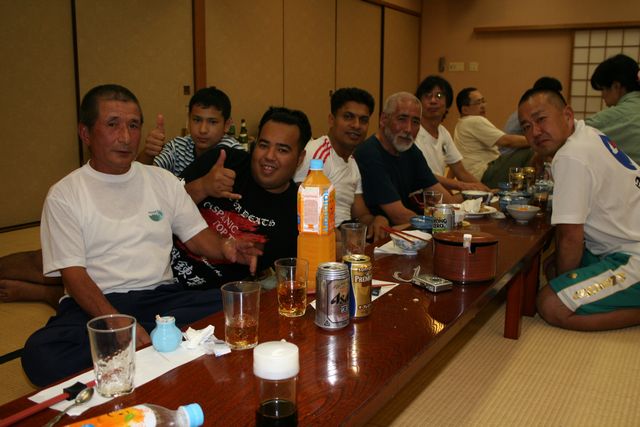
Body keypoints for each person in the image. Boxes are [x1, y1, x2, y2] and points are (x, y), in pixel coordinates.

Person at [21, 84, 260, 387]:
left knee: (236, 305)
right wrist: (116, 323)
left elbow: (197, 236)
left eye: (133, 125)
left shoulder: (162, 180)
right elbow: (74, 277)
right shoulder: (64, 194)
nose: (125, 137)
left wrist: (226, 246)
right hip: (94, 304)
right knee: (41, 354)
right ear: (85, 133)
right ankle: (164, 345)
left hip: (161, 299)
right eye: (113, 125)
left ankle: (144, 346)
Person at [518, 87, 640, 331]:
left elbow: (571, 236)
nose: (535, 132)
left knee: (551, 304)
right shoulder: (587, 133)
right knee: (552, 265)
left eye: (541, 119)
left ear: (567, 114)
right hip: (620, 245)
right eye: (526, 127)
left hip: (633, 256)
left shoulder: (571, 155)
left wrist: (563, 285)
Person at [171, 107, 310, 288]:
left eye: (282, 150)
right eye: (263, 145)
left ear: (300, 158)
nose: (269, 156)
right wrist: (203, 187)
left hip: (214, 296)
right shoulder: (225, 161)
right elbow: (162, 206)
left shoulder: (296, 215)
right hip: (159, 271)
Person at [294, 87, 389, 241]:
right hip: (321, 240)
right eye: (348, 117)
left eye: (363, 120)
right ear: (331, 120)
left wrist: (377, 220)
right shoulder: (316, 154)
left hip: (345, 234)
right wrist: (347, 241)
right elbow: (307, 215)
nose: (356, 125)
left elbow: (361, 214)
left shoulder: (352, 162)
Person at [353, 92, 460, 226]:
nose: (409, 129)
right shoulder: (369, 154)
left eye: (415, 122)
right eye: (402, 119)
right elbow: (399, 216)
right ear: (383, 119)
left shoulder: (410, 150)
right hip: (386, 233)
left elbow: (445, 200)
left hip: (412, 229)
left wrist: (466, 206)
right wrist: (445, 223)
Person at [137, 86, 242, 176]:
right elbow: (141, 175)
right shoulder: (177, 147)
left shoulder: (235, 153)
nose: (203, 130)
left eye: (212, 122)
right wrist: (148, 153)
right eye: (197, 120)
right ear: (188, 119)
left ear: (227, 125)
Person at [414, 75, 490, 192]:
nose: (433, 101)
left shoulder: (443, 133)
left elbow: (460, 171)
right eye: (427, 96)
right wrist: (461, 186)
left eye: (439, 96)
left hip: (437, 194)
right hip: (419, 194)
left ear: (447, 104)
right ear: (419, 103)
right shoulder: (413, 131)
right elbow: (422, 175)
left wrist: (485, 190)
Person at [454, 87, 531, 188]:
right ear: (465, 109)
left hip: (477, 176)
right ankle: (529, 189)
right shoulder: (473, 120)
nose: (483, 106)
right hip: (485, 174)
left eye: (483, 101)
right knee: (531, 150)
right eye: (478, 103)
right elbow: (507, 141)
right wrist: (534, 140)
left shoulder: (460, 125)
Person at [585, 54, 640, 165]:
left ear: (616, 86)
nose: (602, 95)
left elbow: (574, 132)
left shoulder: (616, 117)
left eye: (603, 89)